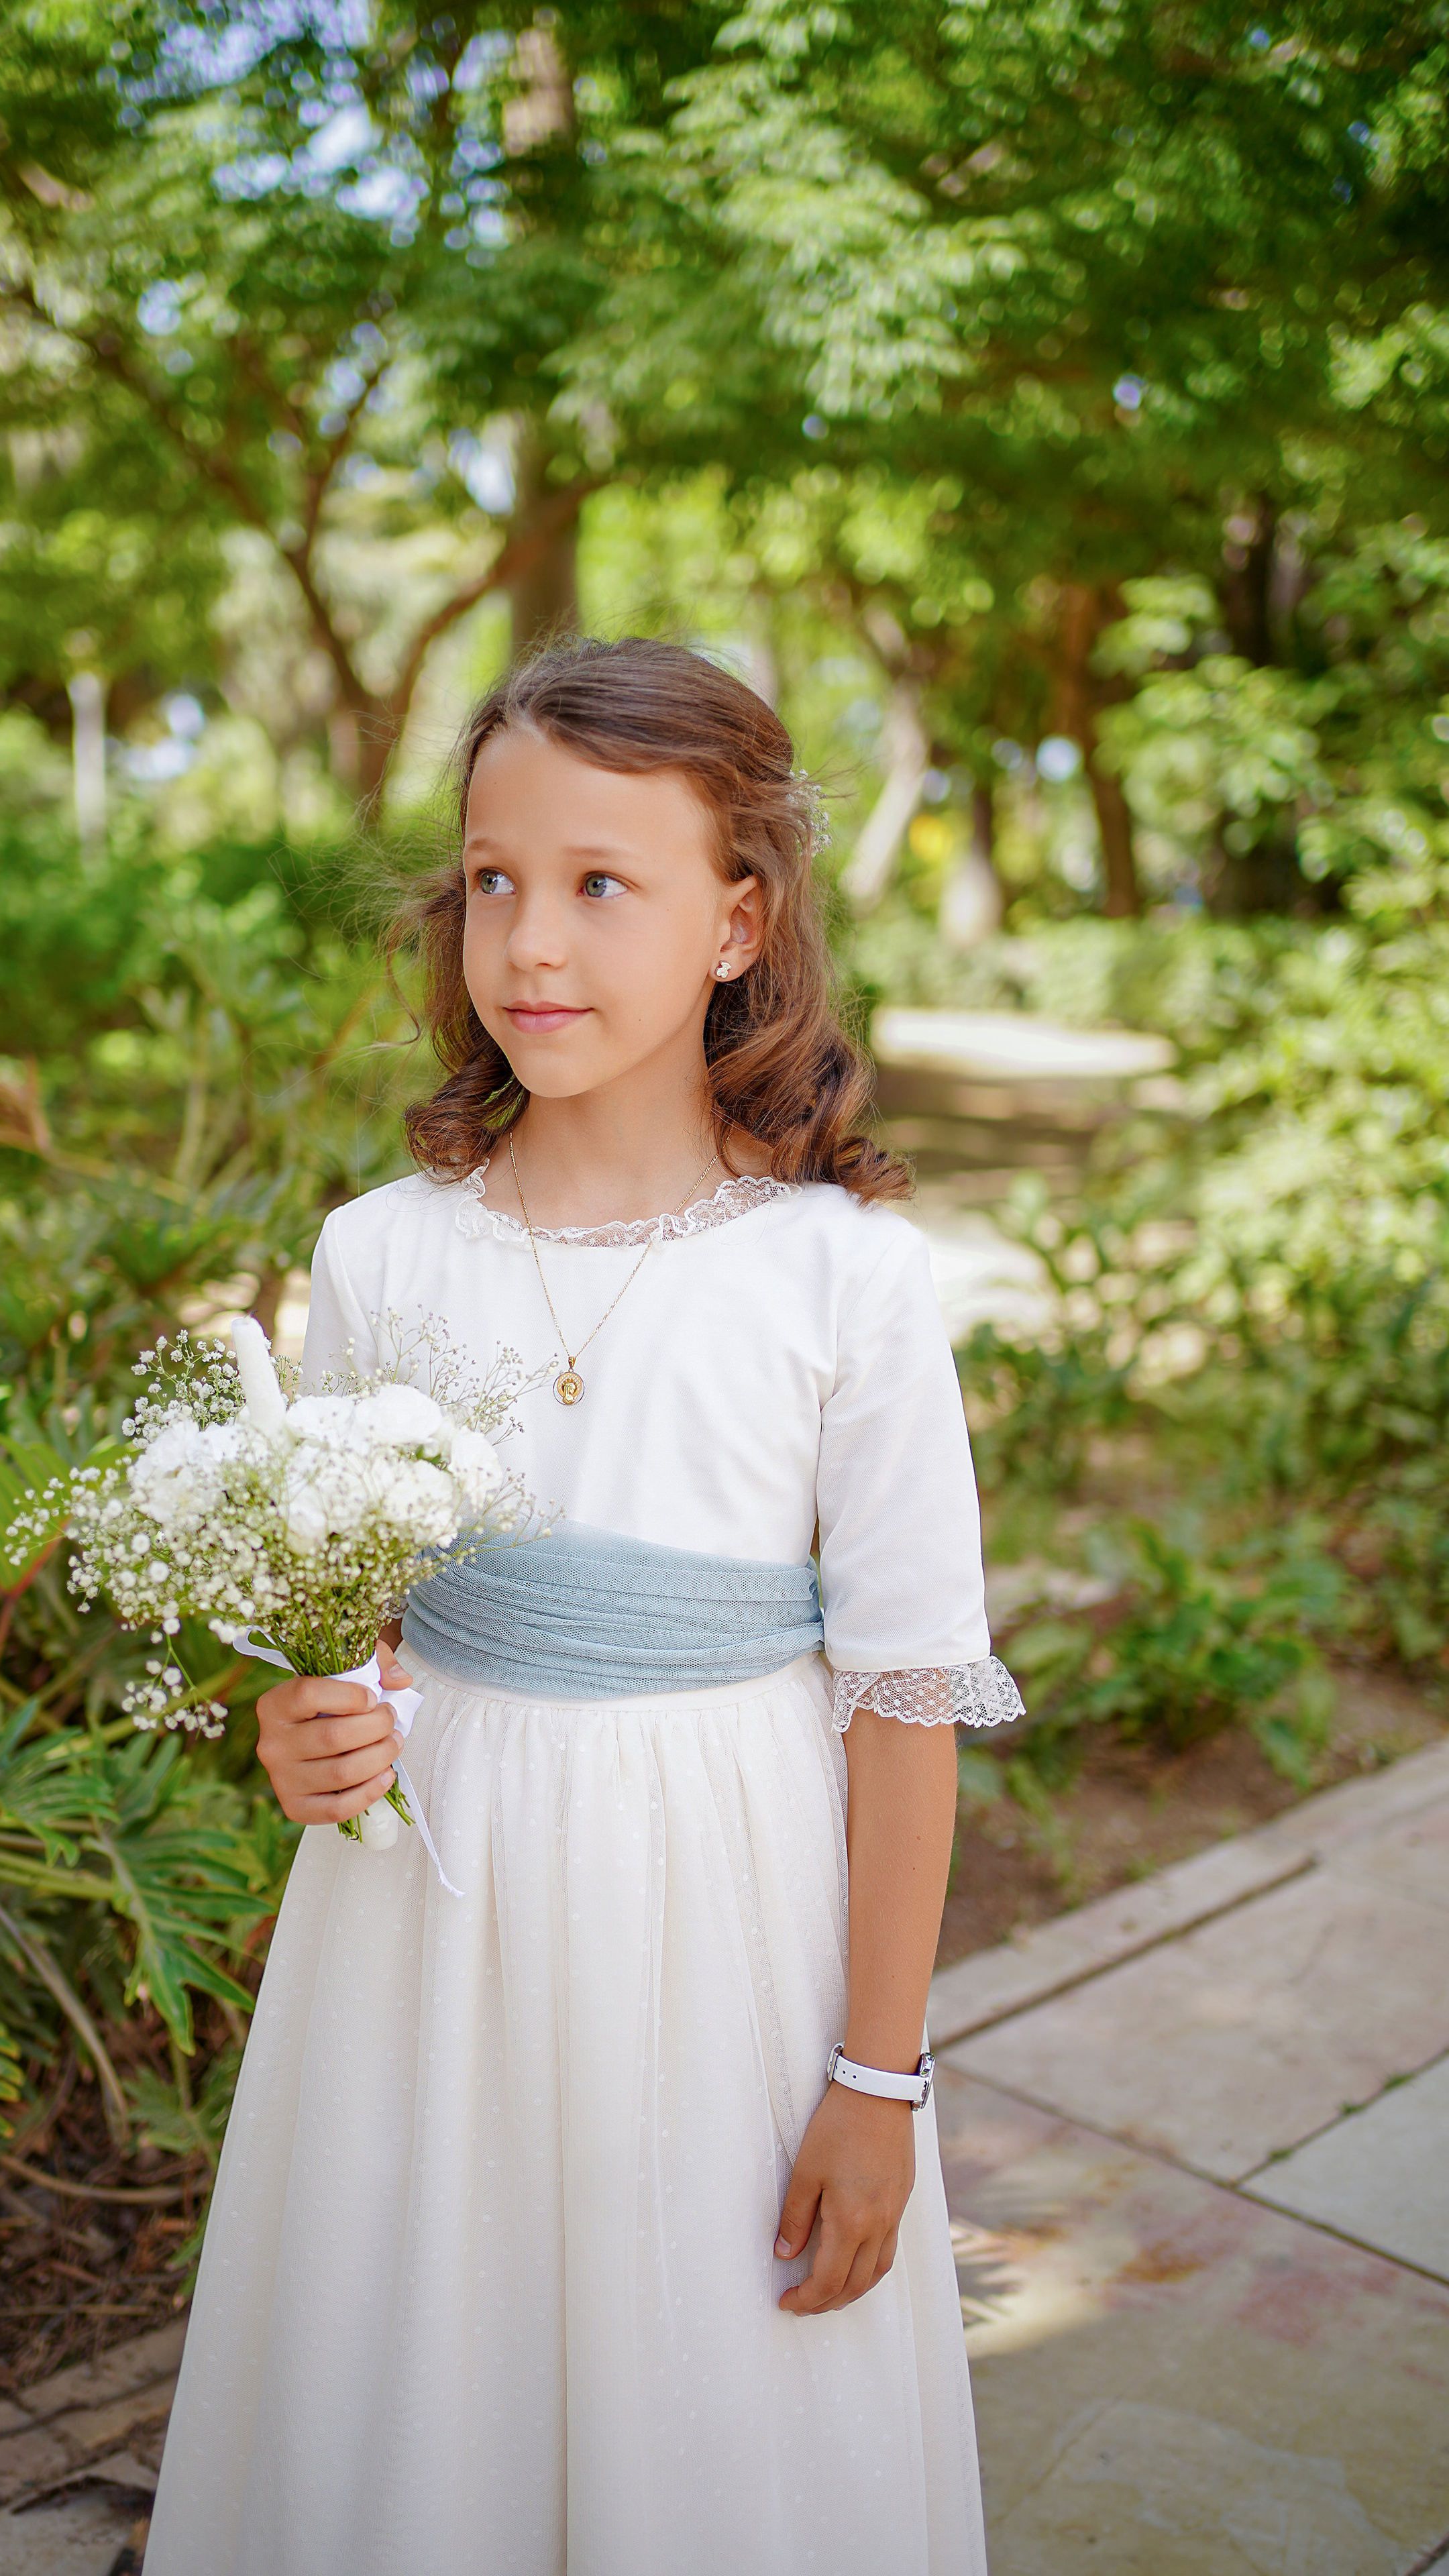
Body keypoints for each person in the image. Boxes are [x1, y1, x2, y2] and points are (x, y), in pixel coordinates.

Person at [146, 637, 1022, 2576]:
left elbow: (903, 1697)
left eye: (602, 884)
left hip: (724, 1924)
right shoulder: (382, 1256)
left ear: (739, 918)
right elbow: (360, 1626)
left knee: (700, 2382)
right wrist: (316, 1723)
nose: (532, 940)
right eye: (492, 880)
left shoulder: (838, 1281)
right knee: (422, 2363)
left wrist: (879, 2076)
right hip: (423, 1931)